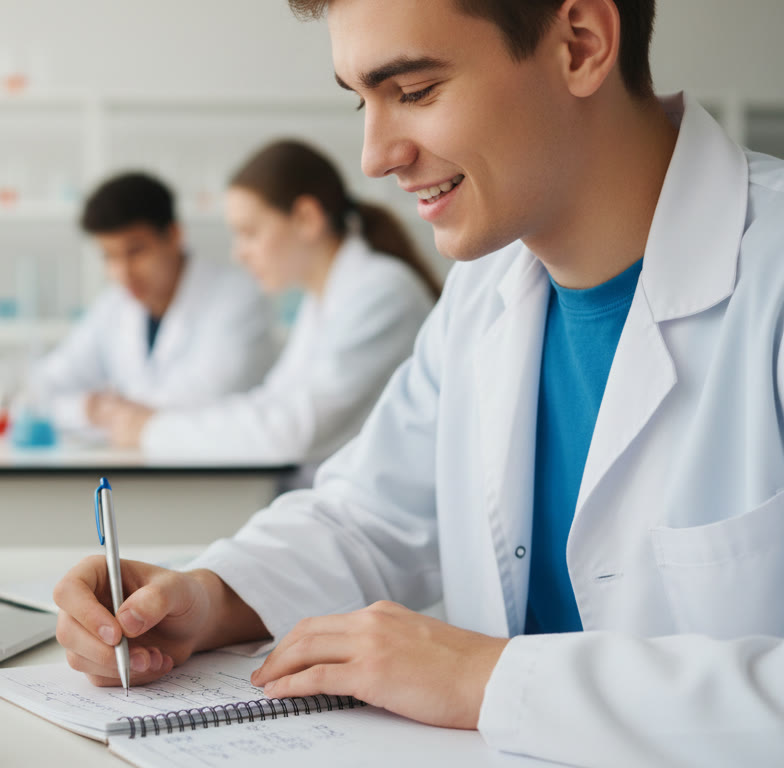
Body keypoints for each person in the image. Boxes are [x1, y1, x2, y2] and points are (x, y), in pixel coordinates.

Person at [52, 0, 784, 765]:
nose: (373, 157)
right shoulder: (485, 288)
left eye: (415, 90)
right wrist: (206, 597)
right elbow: (369, 514)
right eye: (359, 99)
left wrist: (485, 677)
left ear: (580, 44)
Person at [89, 140, 437, 482]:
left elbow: (291, 431)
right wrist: (155, 422)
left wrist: (152, 431)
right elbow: (270, 403)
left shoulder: (381, 293)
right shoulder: (325, 299)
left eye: (249, 233)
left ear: (305, 218)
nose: (239, 253)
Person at [21, 171, 274, 431]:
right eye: (109, 256)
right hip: (133, 462)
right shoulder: (113, 305)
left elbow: (210, 398)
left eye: (136, 251)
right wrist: (88, 409)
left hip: (219, 467)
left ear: (174, 236)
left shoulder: (236, 297)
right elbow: (44, 386)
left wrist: (111, 411)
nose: (123, 272)